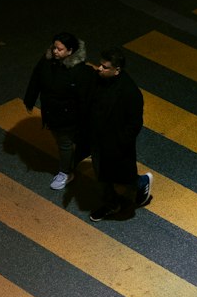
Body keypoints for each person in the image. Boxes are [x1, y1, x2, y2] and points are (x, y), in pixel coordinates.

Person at [23, 32, 95, 190]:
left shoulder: (79, 71)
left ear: (70, 51)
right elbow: (36, 76)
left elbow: (84, 98)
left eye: (60, 49)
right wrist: (30, 98)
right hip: (51, 111)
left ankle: (66, 172)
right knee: (62, 140)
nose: (55, 51)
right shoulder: (48, 60)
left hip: (67, 116)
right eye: (54, 47)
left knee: (64, 143)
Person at [87, 47, 153, 220]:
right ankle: (111, 204)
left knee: (123, 179)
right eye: (100, 65)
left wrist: (119, 143)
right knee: (102, 176)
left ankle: (140, 184)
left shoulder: (130, 92)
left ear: (117, 70)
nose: (100, 68)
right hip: (97, 140)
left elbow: (134, 124)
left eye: (105, 67)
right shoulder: (97, 79)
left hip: (116, 144)